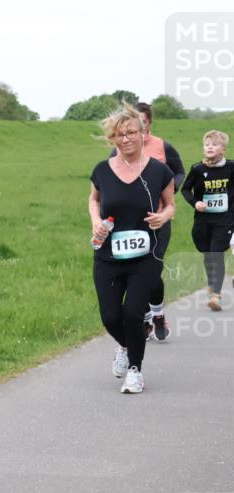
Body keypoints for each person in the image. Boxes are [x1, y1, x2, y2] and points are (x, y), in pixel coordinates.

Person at [89, 104, 176, 394]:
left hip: (144, 256)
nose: (126, 139)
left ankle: (135, 371)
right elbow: (93, 200)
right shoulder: (102, 170)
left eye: (131, 133)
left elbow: (170, 205)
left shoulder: (158, 171)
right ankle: (125, 345)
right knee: (111, 316)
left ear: (142, 133)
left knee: (133, 313)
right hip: (108, 255)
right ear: (113, 138)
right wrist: (95, 223)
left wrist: (162, 217)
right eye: (119, 135)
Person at [109, 102, 184, 341]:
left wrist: (169, 189)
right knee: (133, 269)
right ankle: (143, 319)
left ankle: (157, 314)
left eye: (139, 121)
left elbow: (179, 171)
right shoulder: (119, 149)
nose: (133, 127)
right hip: (129, 222)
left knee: (152, 269)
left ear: (148, 123)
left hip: (158, 219)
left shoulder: (163, 146)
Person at [181, 130, 234, 311]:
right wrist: (196, 203)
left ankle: (216, 295)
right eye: (207, 144)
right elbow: (185, 190)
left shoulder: (231, 167)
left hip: (225, 219)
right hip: (203, 220)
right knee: (207, 254)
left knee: (216, 253)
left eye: (214, 144)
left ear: (223, 149)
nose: (210, 147)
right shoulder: (197, 169)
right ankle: (212, 283)